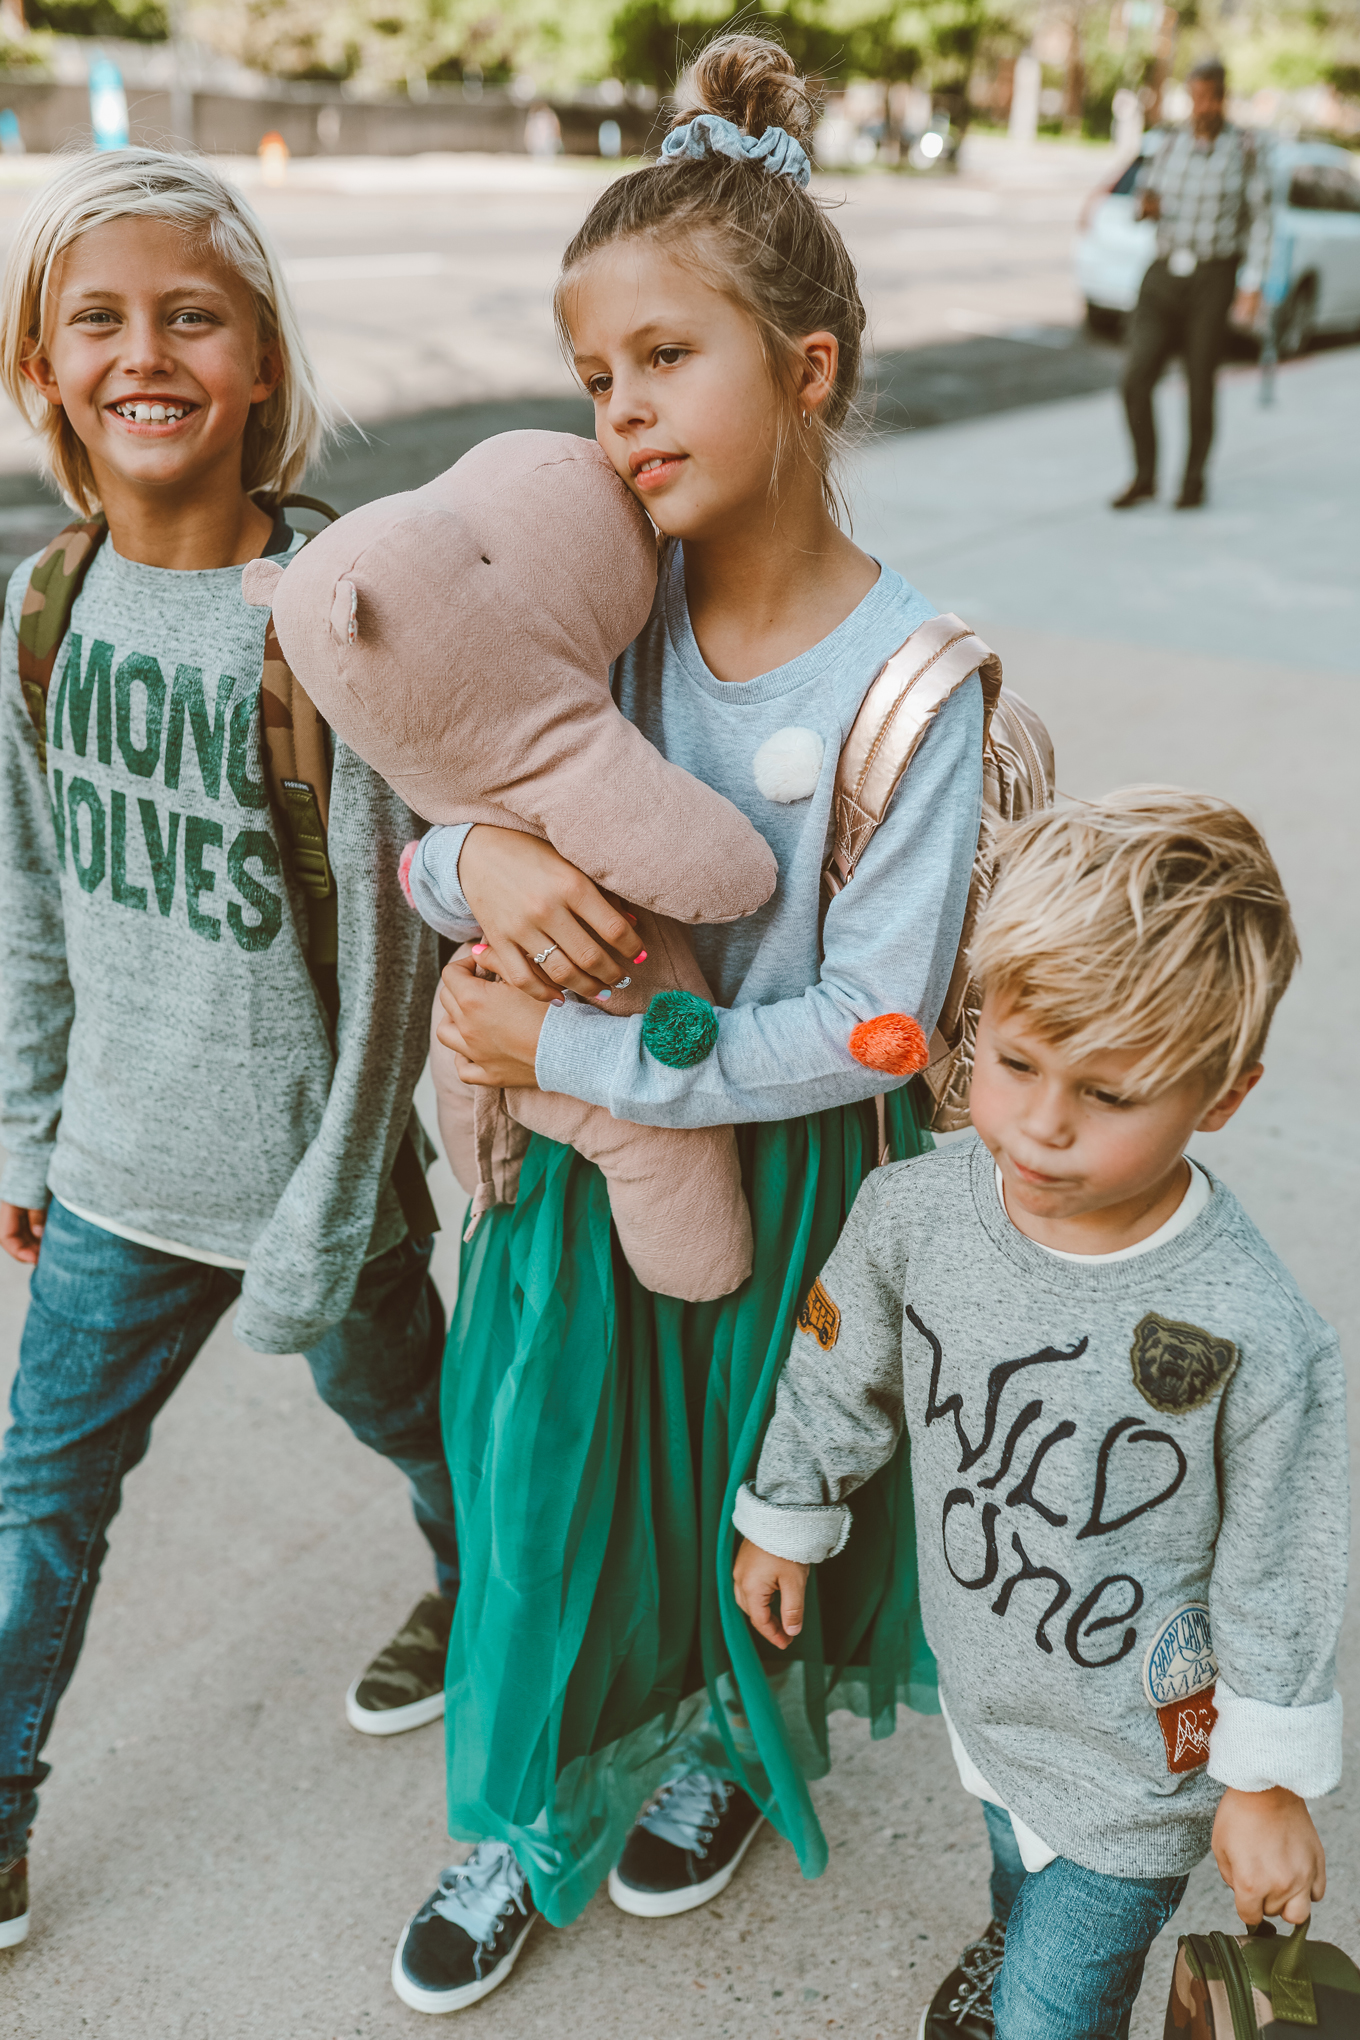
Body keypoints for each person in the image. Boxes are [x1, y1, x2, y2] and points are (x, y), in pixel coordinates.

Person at [388, 33, 986, 2015]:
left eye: (664, 357)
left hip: (788, 1172)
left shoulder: (913, 679)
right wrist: (467, 878)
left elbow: (876, 1026)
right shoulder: (594, 601)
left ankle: (730, 1735)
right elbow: (440, 797)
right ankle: (524, 1810)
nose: (617, 413)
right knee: (551, 1477)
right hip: (587, 1182)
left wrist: (570, 1056)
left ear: (803, 368)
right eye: (591, 376)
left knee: (755, 1482)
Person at [0, 150, 459, 1953]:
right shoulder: (44, 613)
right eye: (95, 318)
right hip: (116, 1175)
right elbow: (29, 902)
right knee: (40, 1504)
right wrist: (25, 1130)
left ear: (263, 359)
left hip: (318, 1184)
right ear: (42, 366)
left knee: (416, 1419)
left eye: (193, 314)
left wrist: (341, 1200)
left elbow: (400, 956)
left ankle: (477, 1606)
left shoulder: (336, 609)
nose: (146, 352)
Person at [733, 788, 1345, 2040]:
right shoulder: (916, 1214)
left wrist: (1264, 1779)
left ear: (1220, 1095)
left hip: (1140, 1758)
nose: (1042, 1126)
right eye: (1014, 1064)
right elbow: (836, 1367)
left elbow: (1283, 1561)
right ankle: (1015, 1935)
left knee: (1053, 2011)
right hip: (994, 1688)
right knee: (1014, 1867)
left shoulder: (1251, 1330)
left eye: (1108, 1095)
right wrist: (789, 1511)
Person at [1113, 59, 1271, 511]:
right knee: (1135, 377)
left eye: (1209, 97)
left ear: (1222, 98)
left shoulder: (1243, 149)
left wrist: (1252, 284)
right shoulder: (1168, 144)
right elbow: (1142, 199)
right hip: (1163, 271)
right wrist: (1145, 207)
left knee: (1200, 383)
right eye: (1194, 96)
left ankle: (1192, 481)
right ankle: (1144, 476)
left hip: (1213, 274)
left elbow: (1261, 219)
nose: (1200, 106)